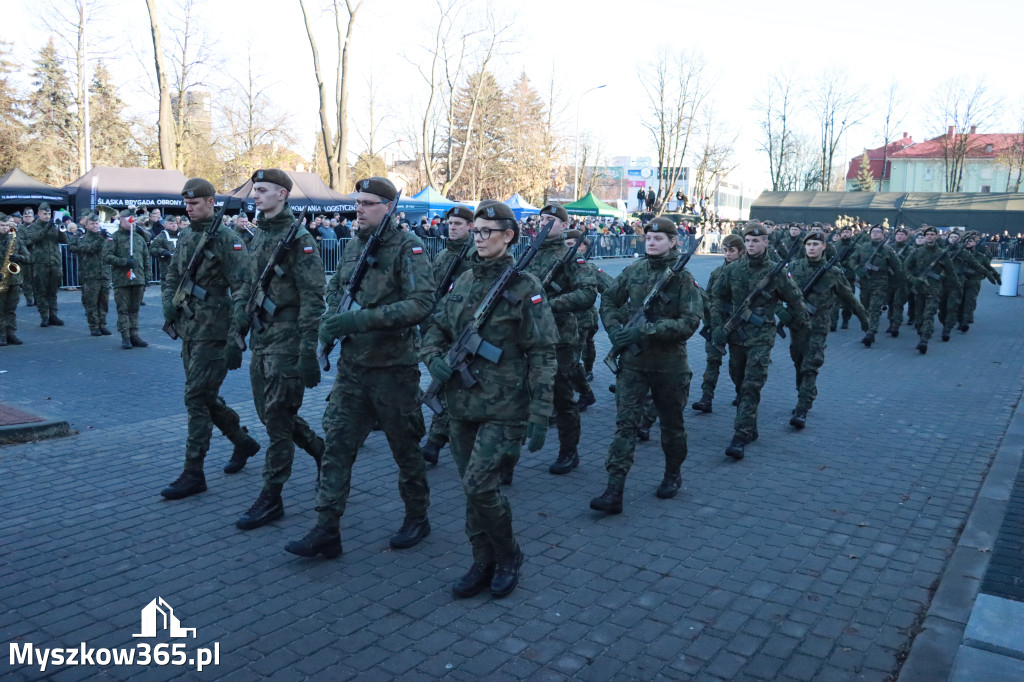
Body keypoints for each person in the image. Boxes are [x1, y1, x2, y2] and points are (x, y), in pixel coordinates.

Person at [285, 176, 433, 558]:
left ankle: (417, 516)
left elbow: (421, 304)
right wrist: (331, 321)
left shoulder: (409, 248)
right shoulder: (353, 245)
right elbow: (338, 290)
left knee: (406, 450)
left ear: (389, 208)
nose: (359, 209)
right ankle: (326, 528)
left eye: (368, 203)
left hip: (394, 370)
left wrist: (360, 320)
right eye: (358, 202)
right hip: (353, 370)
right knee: (336, 446)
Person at [420, 201, 556, 597]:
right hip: (460, 403)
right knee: (469, 486)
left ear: (509, 236)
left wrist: (541, 412)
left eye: (487, 232)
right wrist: (433, 360)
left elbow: (544, 352)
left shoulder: (526, 286)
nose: (478, 238)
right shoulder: (463, 282)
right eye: (475, 231)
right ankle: (482, 558)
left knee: (480, 485)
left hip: (505, 404)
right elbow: (435, 330)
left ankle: (509, 553)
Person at [158, 179, 262, 500]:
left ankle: (193, 472)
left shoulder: (228, 239)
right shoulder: (187, 234)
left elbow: (244, 289)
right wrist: (168, 304)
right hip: (190, 328)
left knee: (195, 398)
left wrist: (236, 336)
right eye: (186, 204)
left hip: (215, 332)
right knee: (204, 397)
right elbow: (174, 273)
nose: (188, 209)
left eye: (194, 203)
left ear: (211, 202)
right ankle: (242, 442)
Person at [235, 169, 326, 530]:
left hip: (288, 342)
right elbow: (248, 284)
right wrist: (236, 329)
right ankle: (321, 451)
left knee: (276, 421)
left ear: (282, 195)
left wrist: (307, 350)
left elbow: (313, 297)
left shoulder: (299, 239)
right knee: (271, 414)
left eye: (263, 190)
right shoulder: (260, 235)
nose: (255, 196)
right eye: (255, 190)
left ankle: (272, 497)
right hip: (261, 338)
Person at [591, 217, 702, 514]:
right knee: (625, 425)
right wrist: (615, 330)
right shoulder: (635, 270)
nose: (651, 242)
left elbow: (690, 323)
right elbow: (609, 301)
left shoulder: (683, 278)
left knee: (672, 426)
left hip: (669, 367)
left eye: (658, 238)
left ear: (673, 241)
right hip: (634, 363)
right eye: (648, 237)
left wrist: (646, 330)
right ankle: (614, 489)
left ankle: (672, 474)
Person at [710, 221, 809, 459]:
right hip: (736, 333)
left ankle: (740, 434)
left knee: (752, 383)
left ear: (766, 242)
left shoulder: (776, 271)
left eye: (757, 240)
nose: (752, 244)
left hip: (762, 334)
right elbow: (717, 298)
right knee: (738, 377)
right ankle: (750, 425)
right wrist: (717, 328)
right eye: (748, 240)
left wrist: (803, 326)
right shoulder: (732, 270)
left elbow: (795, 299)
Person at [523, 204, 598, 475]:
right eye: (542, 219)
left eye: (552, 220)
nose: (544, 223)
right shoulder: (528, 255)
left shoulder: (570, 258)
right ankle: (508, 455)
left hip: (560, 338)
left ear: (563, 225)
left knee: (563, 397)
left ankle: (569, 451)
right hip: (527, 336)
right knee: (520, 394)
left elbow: (588, 293)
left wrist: (549, 303)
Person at [786, 230, 868, 428]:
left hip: (819, 325)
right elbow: (780, 292)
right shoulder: (794, 268)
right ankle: (803, 395)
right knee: (798, 361)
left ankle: (802, 407)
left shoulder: (833, 272)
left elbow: (848, 296)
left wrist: (864, 318)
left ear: (824, 247)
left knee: (811, 364)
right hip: (797, 325)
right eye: (809, 244)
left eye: (816, 244)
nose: (812, 248)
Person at [421, 205, 476, 466]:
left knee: (451, 386)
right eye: (450, 223)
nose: (452, 227)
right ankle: (436, 440)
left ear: (470, 227)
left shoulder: (477, 255)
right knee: (444, 382)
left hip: (466, 330)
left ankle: (436, 441)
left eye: (458, 224)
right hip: (441, 328)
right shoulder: (443, 254)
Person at [693, 233, 744, 413]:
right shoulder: (717, 273)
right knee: (712, 361)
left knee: (736, 365)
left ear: (741, 252)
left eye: (732, 251)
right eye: (725, 250)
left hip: (739, 324)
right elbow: (709, 298)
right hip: (717, 322)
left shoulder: (746, 272)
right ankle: (706, 398)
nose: (728, 254)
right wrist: (709, 321)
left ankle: (741, 393)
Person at [903, 225, 959, 354]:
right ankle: (921, 332)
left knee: (929, 314)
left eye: (932, 235)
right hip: (919, 288)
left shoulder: (942, 254)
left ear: (937, 236)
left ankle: (924, 340)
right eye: (927, 235)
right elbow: (906, 268)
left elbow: (951, 273)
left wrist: (957, 287)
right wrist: (913, 279)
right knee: (919, 317)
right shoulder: (917, 252)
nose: (929, 237)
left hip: (934, 289)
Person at [102, 210, 151, 349]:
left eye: (134, 220)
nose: (133, 223)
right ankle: (125, 336)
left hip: (138, 279)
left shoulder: (139, 238)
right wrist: (124, 262)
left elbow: (146, 258)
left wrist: (147, 276)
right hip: (122, 280)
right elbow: (106, 256)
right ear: (122, 221)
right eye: (130, 220)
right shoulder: (114, 238)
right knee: (123, 309)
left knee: (134, 309)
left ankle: (134, 334)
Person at [851, 225, 903, 347]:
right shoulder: (862, 247)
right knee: (865, 306)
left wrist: (895, 283)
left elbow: (897, 267)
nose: (875, 234)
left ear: (883, 235)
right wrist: (859, 270)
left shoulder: (888, 250)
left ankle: (871, 332)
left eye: (878, 232)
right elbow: (852, 260)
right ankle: (869, 327)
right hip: (865, 283)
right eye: (873, 232)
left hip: (880, 283)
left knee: (874, 308)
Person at [21, 202, 68, 326]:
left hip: (54, 262)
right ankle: (44, 317)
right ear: (39, 214)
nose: (47, 216)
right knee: (41, 291)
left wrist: (61, 229)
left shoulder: (53, 225)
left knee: (53, 291)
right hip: (40, 263)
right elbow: (32, 239)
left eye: (49, 214)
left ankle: (53, 315)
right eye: (44, 214)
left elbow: (64, 240)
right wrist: (46, 228)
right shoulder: (33, 226)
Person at [66, 212, 112, 336]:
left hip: (104, 274)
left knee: (104, 302)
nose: (95, 226)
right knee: (91, 302)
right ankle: (94, 326)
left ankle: (102, 324)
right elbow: (90, 248)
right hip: (90, 275)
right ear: (86, 225)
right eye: (92, 223)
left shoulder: (103, 236)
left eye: (97, 223)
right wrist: (101, 238)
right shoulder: (83, 238)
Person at [957, 231, 1000, 332]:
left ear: (975, 243)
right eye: (966, 240)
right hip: (960, 280)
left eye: (971, 240)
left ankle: (965, 321)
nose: (968, 242)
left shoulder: (980, 255)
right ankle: (959, 320)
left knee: (969, 300)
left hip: (973, 280)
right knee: (959, 301)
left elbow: (988, 266)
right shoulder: (958, 254)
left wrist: (995, 276)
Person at [0, 213, 31, 345]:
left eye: (7, 225)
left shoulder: (15, 239)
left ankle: (11, 334)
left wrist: (18, 258)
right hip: (1, 279)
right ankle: (1, 335)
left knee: (11, 309)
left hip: (14, 279)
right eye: (2, 225)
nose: (5, 228)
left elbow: (28, 257)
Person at [150, 215, 182, 281]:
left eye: (175, 223)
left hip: (182, 270)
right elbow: (152, 249)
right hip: (167, 270)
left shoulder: (182, 234)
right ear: (165, 225)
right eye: (171, 224)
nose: (174, 225)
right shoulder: (161, 236)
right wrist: (162, 251)